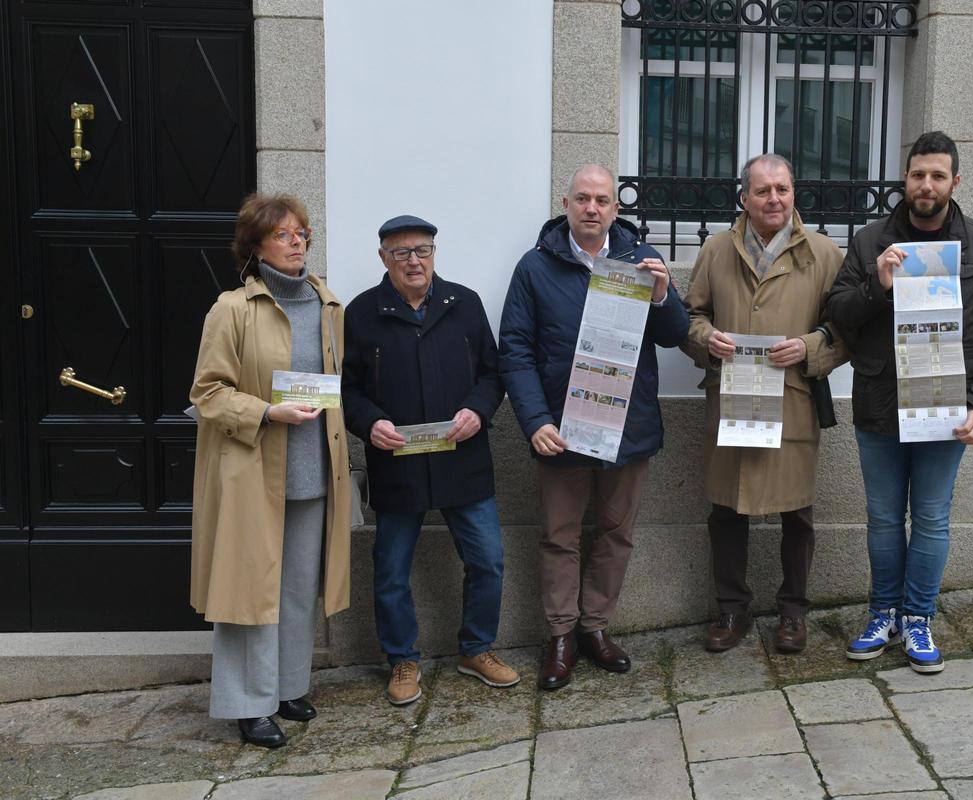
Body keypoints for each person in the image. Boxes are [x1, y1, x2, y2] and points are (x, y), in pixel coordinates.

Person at [826, 131, 973, 673]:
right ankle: (881, 612)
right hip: (881, 403)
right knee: (883, 519)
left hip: (948, 407)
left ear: (955, 182)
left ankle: (918, 617)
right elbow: (839, 312)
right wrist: (877, 285)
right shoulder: (869, 244)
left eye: (937, 175)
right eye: (917, 175)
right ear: (904, 181)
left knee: (931, 519)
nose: (926, 185)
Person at [499, 164, 688, 690]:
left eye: (602, 200)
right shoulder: (535, 268)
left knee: (615, 531)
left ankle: (595, 628)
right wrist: (535, 420)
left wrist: (662, 294)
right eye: (582, 198)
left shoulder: (641, 261)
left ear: (615, 208)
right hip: (562, 426)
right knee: (560, 536)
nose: (591, 208)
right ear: (566, 203)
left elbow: (675, 334)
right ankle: (560, 635)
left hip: (627, 427)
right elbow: (514, 350)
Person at [190, 193, 351, 748]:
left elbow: (335, 386)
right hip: (253, 471)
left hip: (313, 471)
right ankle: (247, 704)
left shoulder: (329, 306)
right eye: (282, 234)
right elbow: (207, 393)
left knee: (299, 588)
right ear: (255, 245)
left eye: (302, 232)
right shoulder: (232, 308)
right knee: (249, 589)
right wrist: (265, 411)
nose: (296, 241)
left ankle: (286, 687)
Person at [342, 214, 516, 706]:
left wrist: (478, 411)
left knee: (488, 561)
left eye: (423, 250)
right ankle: (402, 659)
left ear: (435, 253)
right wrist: (369, 421)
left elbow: (493, 372)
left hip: (463, 459)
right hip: (396, 464)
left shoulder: (464, 304)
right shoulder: (361, 314)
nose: (414, 261)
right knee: (391, 569)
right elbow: (347, 388)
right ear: (383, 258)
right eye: (402, 252)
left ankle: (477, 649)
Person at [682, 153, 847, 655]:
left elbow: (846, 332)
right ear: (744, 198)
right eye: (762, 190)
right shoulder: (715, 250)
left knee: (797, 513)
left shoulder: (823, 254)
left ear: (795, 193)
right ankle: (731, 609)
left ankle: (793, 613)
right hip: (731, 400)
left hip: (792, 401)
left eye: (782, 188)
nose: (773, 198)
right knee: (726, 510)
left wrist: (810, 347)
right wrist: (706, 338)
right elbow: (691, 317)